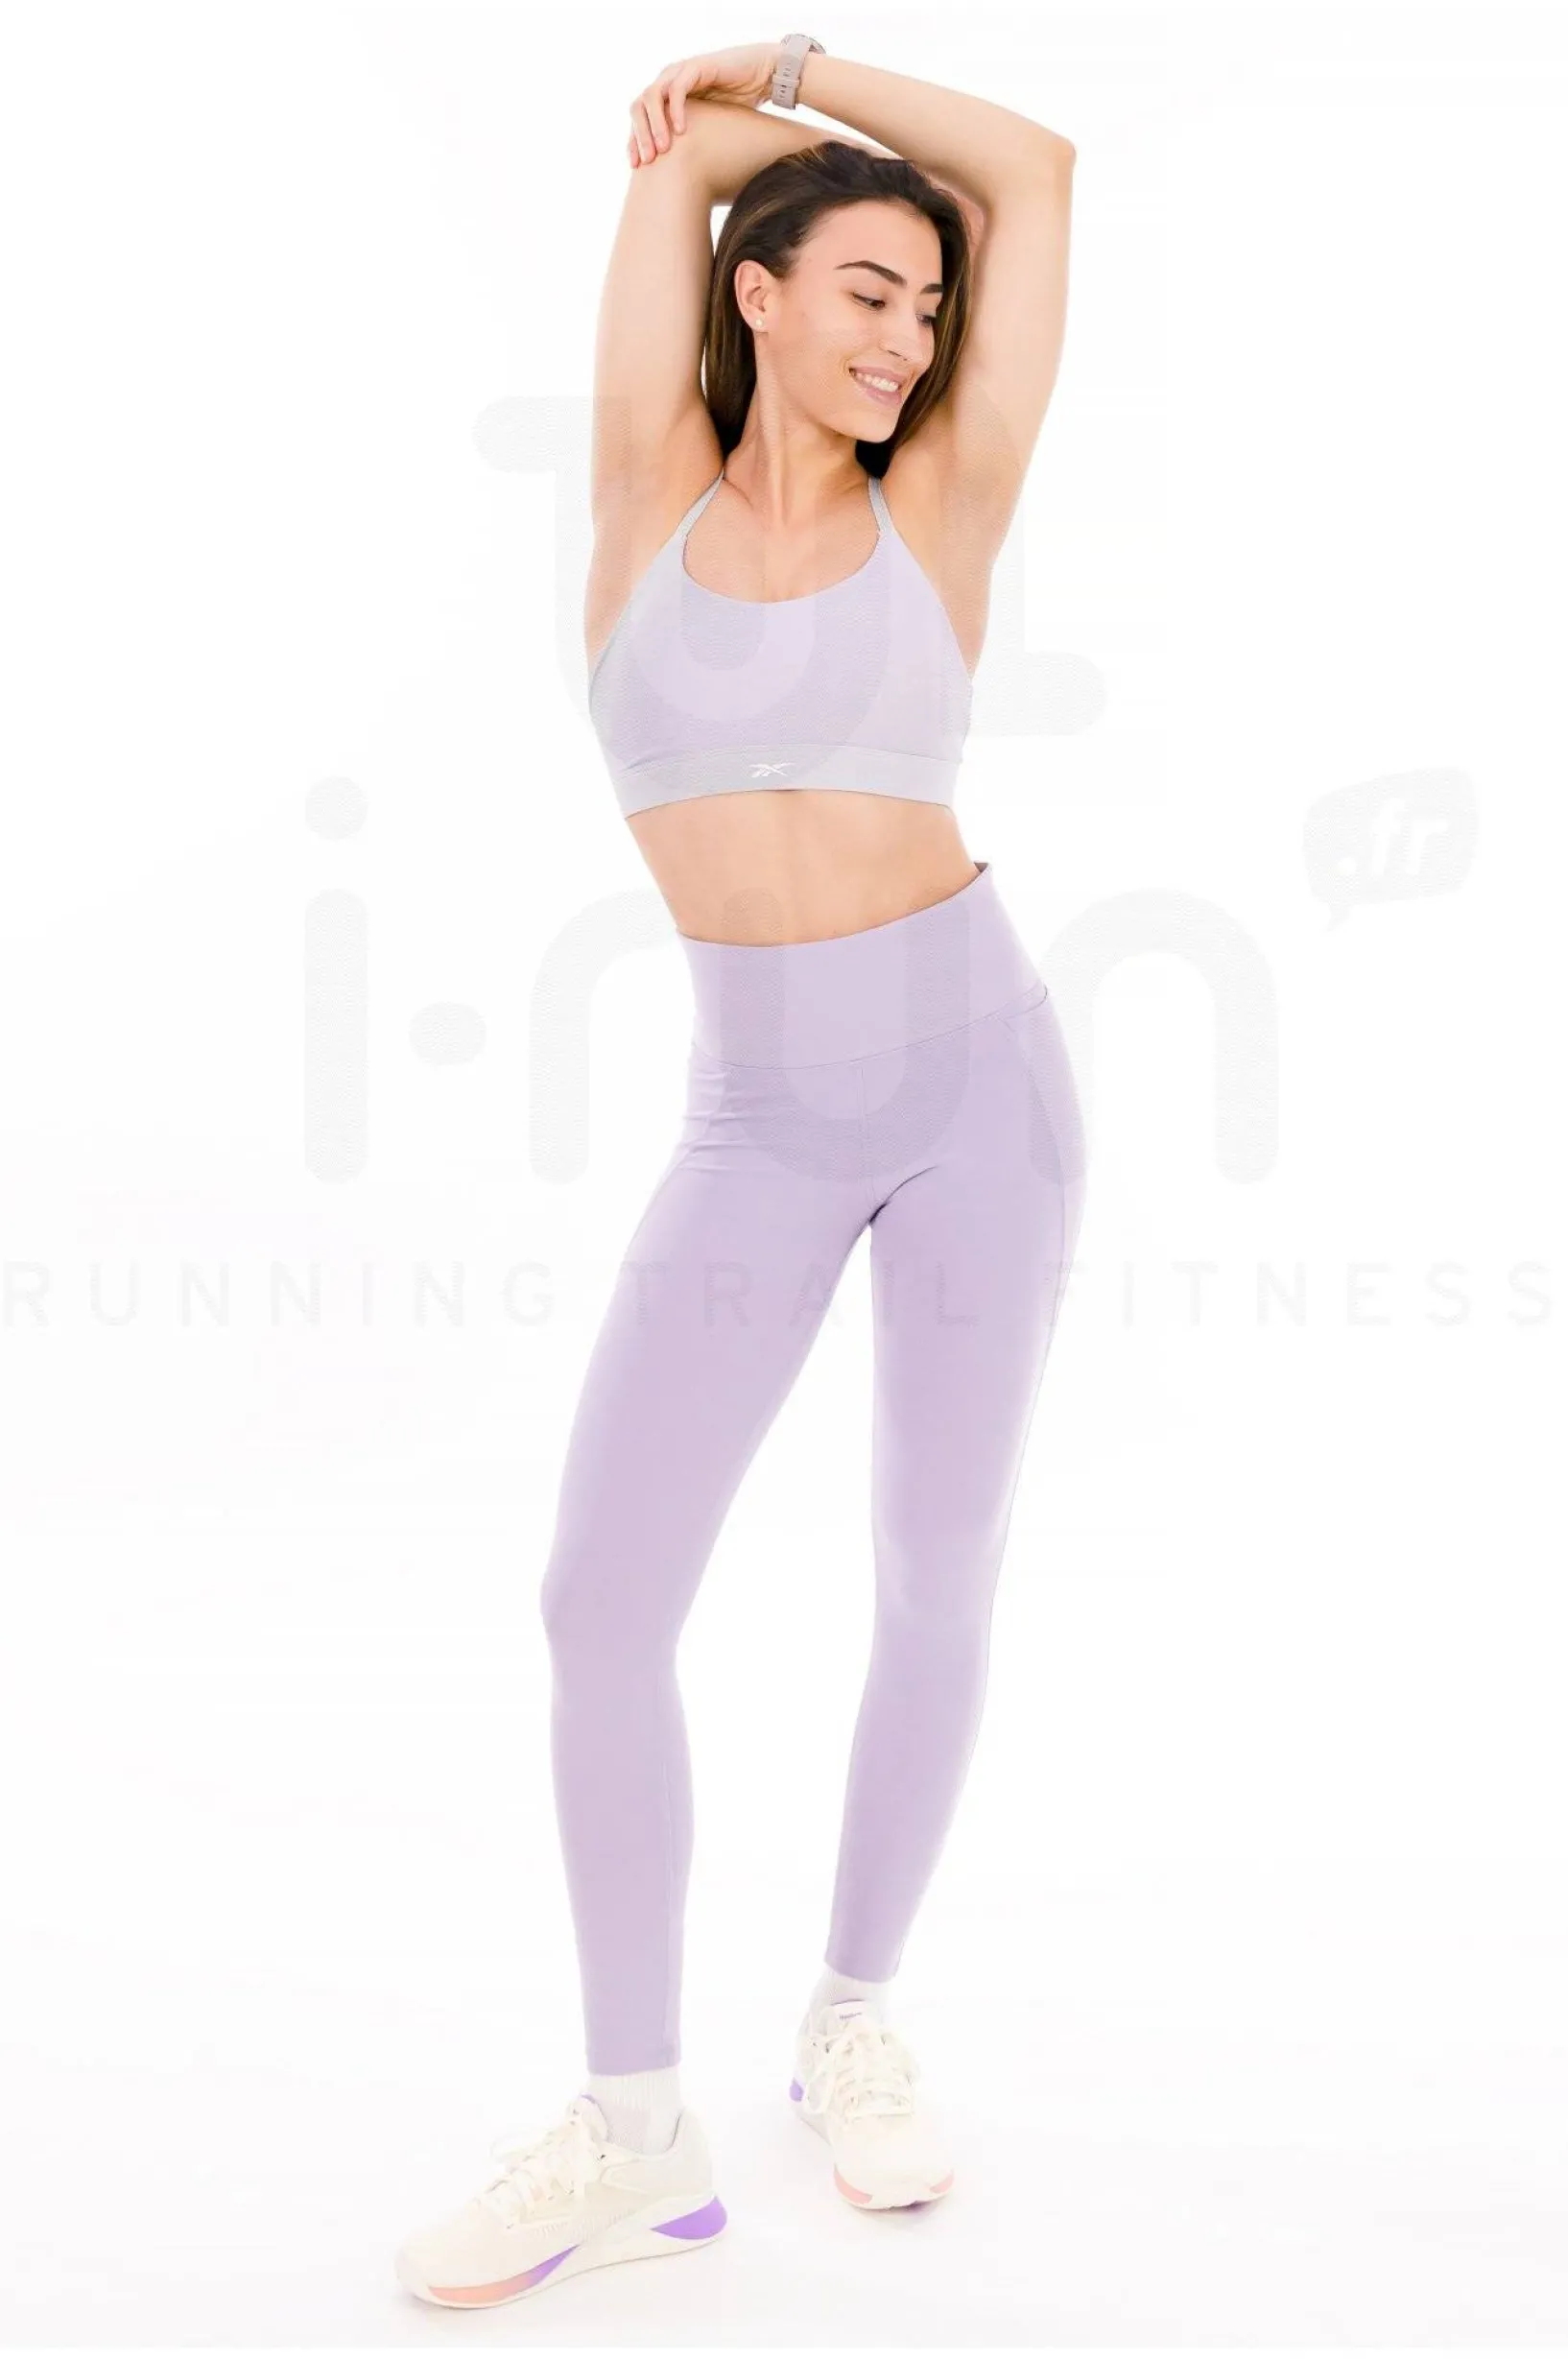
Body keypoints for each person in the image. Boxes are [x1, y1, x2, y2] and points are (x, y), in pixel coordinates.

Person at [396, 34, 1083, 2311]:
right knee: (599, 1600)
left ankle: (853, 2015)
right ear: (754, 292)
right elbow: (685, 155)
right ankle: (631, 2128)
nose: (905, 337)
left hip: (982, 1095)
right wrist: (742, 133)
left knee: (935, 1568)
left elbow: (1036, 170)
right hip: (756, 1125)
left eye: (927, 307)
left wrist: (799, 63)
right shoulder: (636, 502)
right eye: (864, 291)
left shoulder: (943, 507)